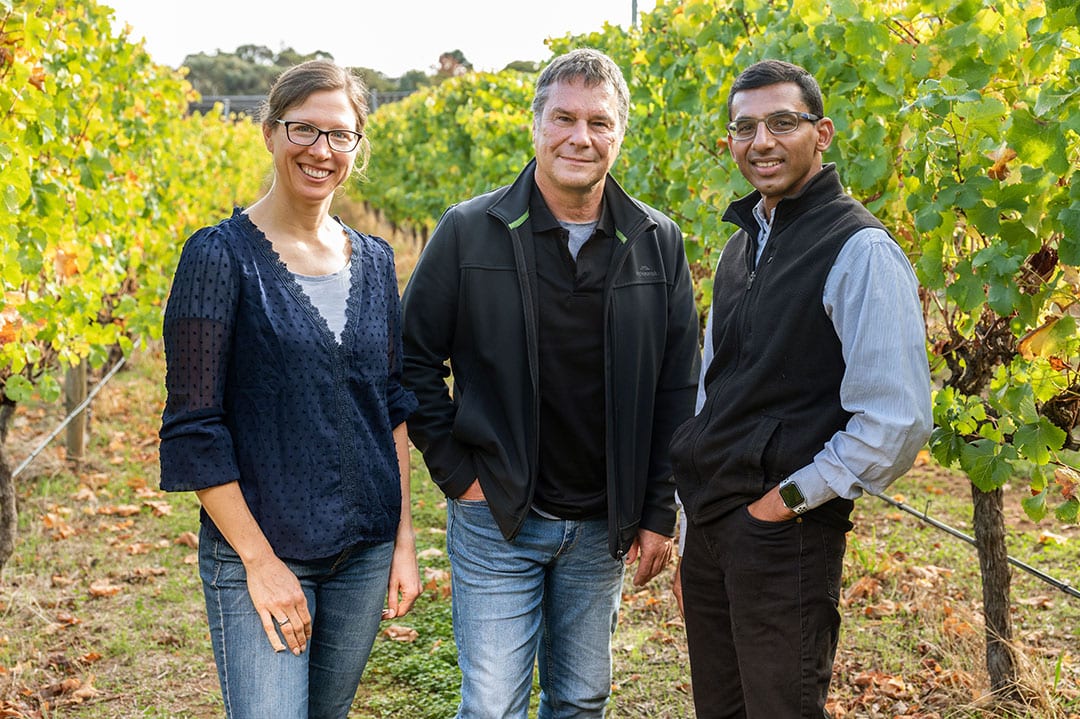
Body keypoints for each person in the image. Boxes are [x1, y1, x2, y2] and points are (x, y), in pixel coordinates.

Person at [401, 48, 700, 719]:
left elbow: (678, 389)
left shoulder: (658, 240)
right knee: (493, 704)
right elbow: (412, 359)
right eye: (563, 118)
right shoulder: (468, 232)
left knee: (581, 697)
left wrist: (658, 509)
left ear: (620, 133)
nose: (580, 136)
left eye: (599, 122)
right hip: (497, 516)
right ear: (535, 126)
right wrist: (458, 473)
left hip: (603, 522)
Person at [668, 59, 932, 718]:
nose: (761, 141)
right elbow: (714, 389)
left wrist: (784, 502)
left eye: (782, 122)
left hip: (783, 536)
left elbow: (897, 420)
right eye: (745, 127)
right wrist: (689, 530)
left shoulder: (860, 249)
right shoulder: (738, 248)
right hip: (711, 526)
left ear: (823, 133)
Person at [158, 60, 421, 719]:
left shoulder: (377, 259)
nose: (321, 151)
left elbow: (389, 406)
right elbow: (195, 425)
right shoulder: (219, 256)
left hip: (363, 551)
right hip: (264, 551)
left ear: (357, 146)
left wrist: (403, 538)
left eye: (340, 135)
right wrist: (259, 562)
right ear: (271, 133)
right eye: (304, 129)